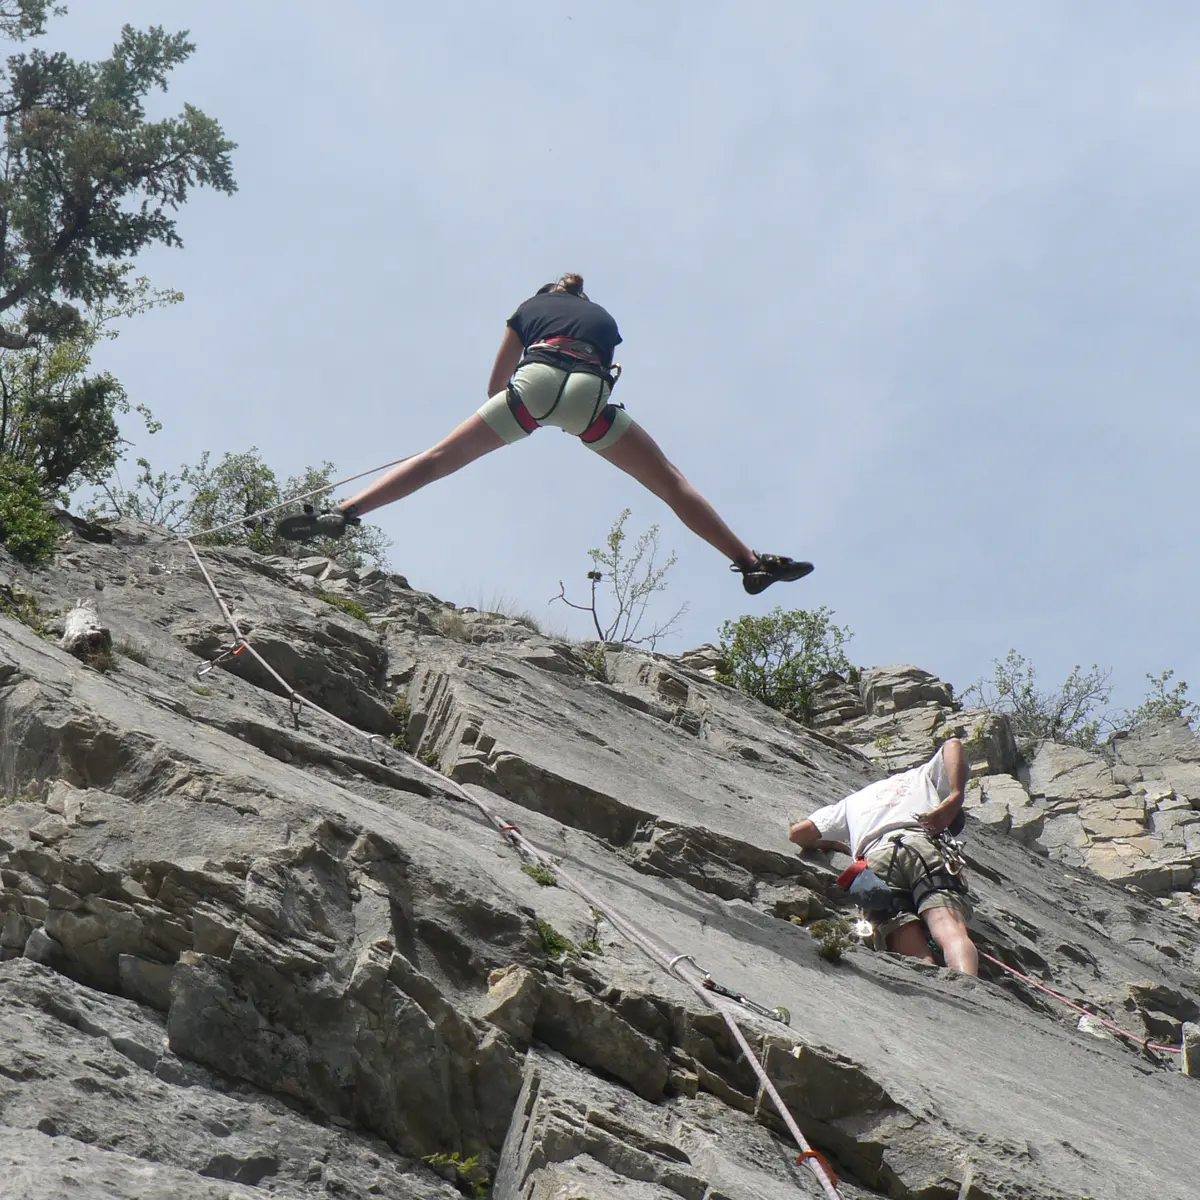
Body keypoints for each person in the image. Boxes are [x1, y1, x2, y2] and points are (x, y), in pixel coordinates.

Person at [279, 273, 813, 595]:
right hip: (590, 395)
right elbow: (606, 364)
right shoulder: (604, 318)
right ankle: (749, 562)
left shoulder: (528, 309)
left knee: (441, 458)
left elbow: (495, 383)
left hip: (533, 383)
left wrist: (501, 416)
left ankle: (343, 513)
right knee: (670, 482)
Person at [788, 738, 979, 975]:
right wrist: (955, 796)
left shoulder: (850, 802)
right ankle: (968, 986)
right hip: (921, 846)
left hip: (876, 861)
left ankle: (930, 982)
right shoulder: (920, 775)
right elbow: (953, 744)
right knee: (949, 929)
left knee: (904, 938)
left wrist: (830, 843)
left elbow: (798, 833)